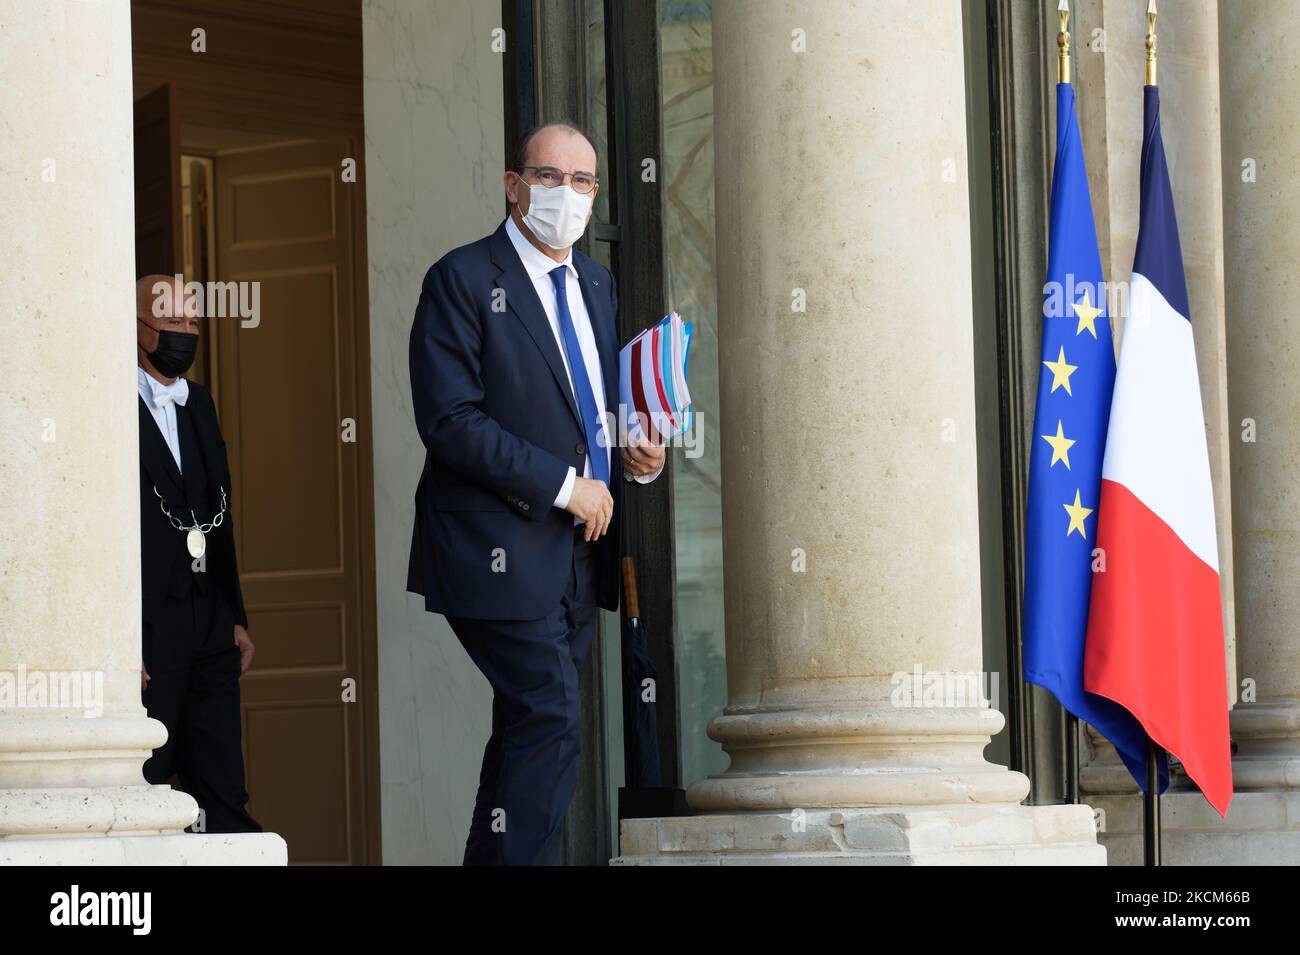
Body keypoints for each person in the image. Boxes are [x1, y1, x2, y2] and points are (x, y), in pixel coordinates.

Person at [407, 121, 665, 865]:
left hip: (578, 554)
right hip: (494, 547)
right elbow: (449, 421)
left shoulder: (595, 282)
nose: (569, 195)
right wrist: (563, 487)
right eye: (551, 178)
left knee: (529, 723)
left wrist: (634, 455)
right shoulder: (460, 279)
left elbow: (590, 409)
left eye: (584, 182)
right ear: (513, 186)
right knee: (550, 715)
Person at [136, 274, 260, 834]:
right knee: (146, 776)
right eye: (172, 321)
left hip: (208, 616)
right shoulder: (103, 408)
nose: (186, 331)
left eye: (192, 320)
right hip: (149, 626)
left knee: (222, 784)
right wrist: (119, 638)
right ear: (137, 329)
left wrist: (235, 615)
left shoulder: (199, 402)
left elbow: (221, 510)